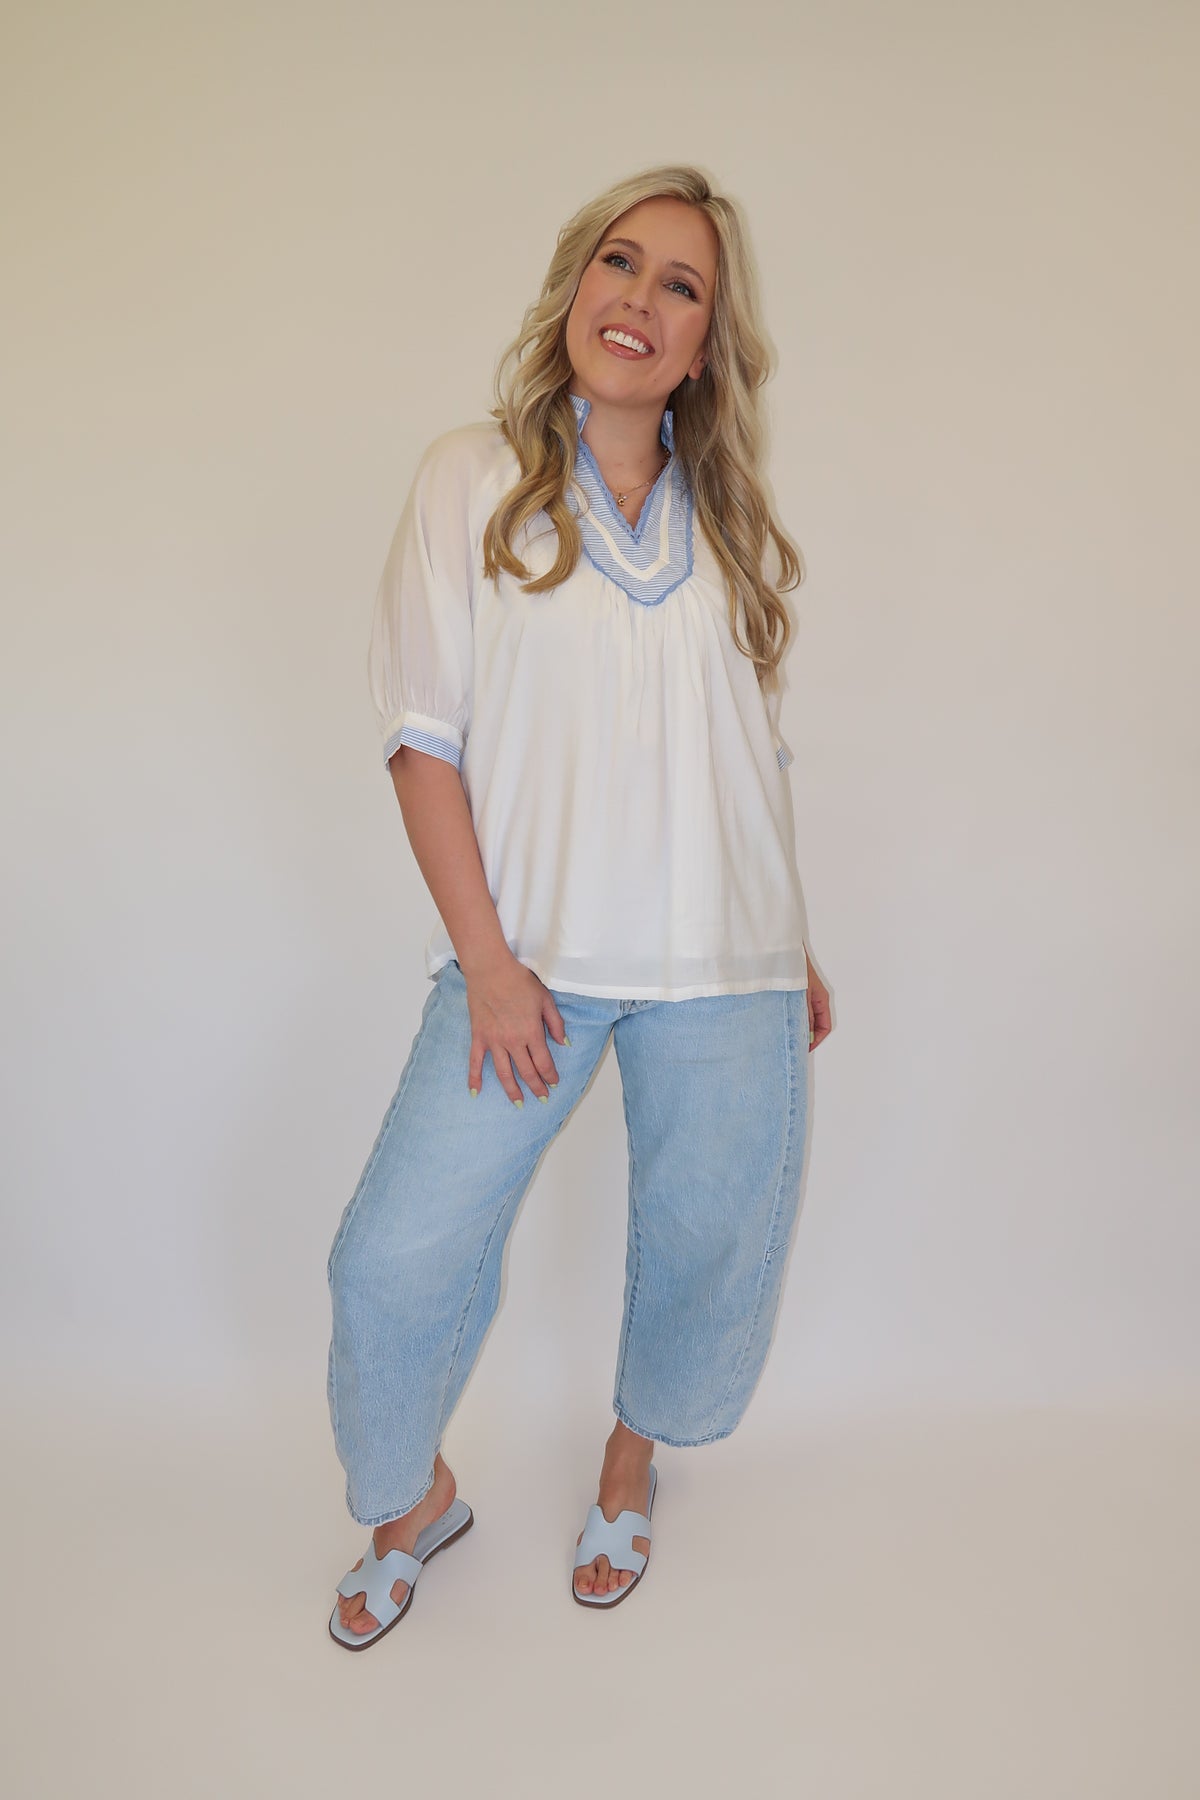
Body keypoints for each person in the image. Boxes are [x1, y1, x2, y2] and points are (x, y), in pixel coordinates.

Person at [326, 163, 833, 1648]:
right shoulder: (471, 476)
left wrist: (793, 943)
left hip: (727, 957)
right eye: (620, 262)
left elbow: (748, 757)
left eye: (682, 286)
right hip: (530, 962)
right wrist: (486, 966)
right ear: (574, 286)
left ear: (704, 344)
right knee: (391, 1256)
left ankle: (630, 1459)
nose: (640, 300)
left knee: (709, 1239)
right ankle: (410, 1500)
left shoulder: (727, 519)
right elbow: (422, 740)